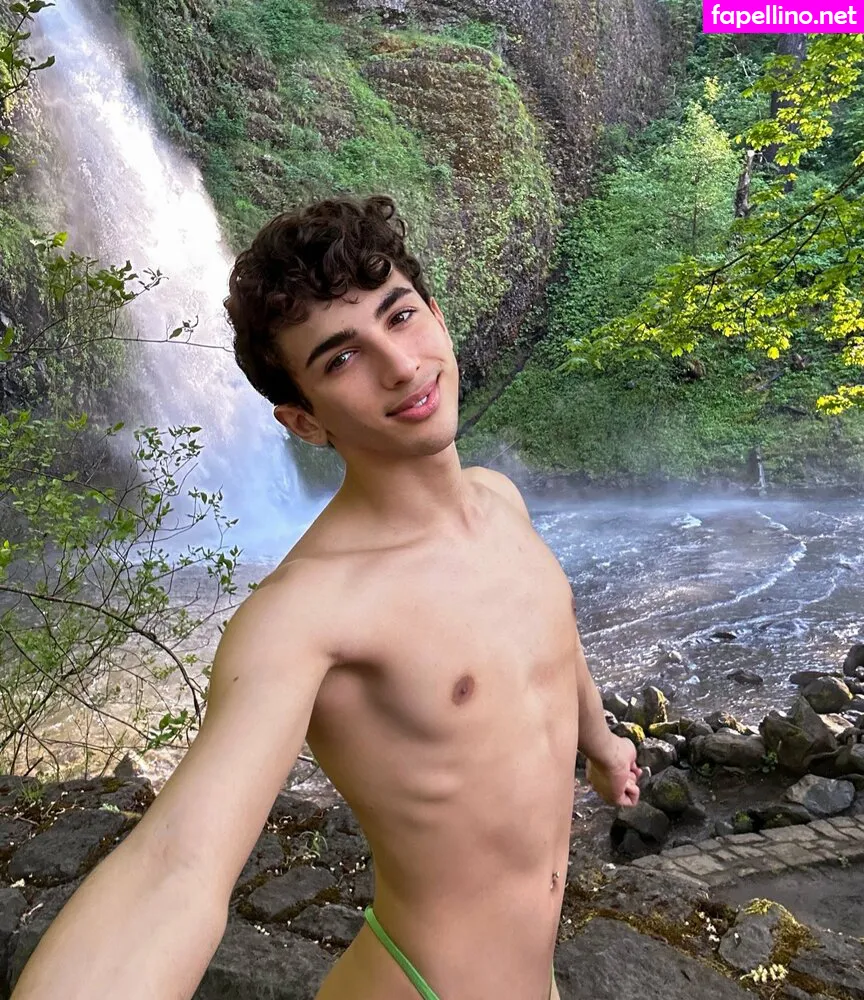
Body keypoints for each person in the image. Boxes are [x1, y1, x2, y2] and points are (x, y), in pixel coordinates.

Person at [12, 194, 641, 1000]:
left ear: (438, 317)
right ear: (304, 423)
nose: (401, 366)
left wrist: (602, 743)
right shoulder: (306, 614)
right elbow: (176, 865)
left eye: (400, 316)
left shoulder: (500, 501)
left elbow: (551, 642)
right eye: (341, 359)